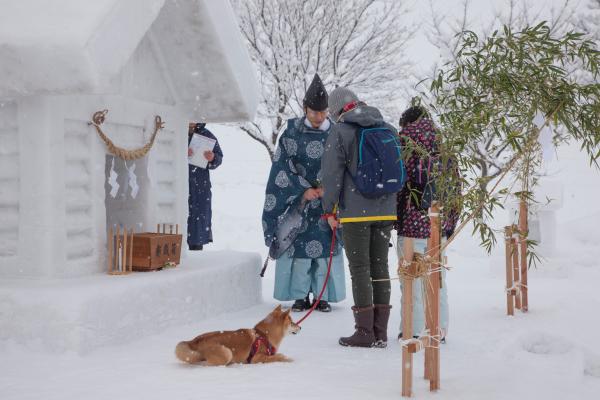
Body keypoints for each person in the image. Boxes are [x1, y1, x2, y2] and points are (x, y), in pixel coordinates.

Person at [321, 87, 398, 348]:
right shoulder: (387, 128)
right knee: (380, 267)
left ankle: (364, 332)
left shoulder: (340, 132)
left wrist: (328, 208)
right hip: (386, 208)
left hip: (355, 212)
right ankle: (381, 332)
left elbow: (331, 175)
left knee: (361, 269)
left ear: (336, 111)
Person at [262, 74, 346, 313]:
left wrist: (328, 189)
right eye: (313, 112)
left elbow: (346, 166)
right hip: (298, 201)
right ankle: (299, 296)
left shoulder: (338, 133)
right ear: (304, 108)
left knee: (324, 248)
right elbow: (281, 167)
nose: (319, 117)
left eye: (323, 112)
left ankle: (322, 296)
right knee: (299, 249)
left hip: (328, 202)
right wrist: (303, 189)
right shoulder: (290, 133)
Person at [395, 105, 460, 342]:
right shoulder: (444, 146)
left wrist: (396, 217)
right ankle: (438, 328)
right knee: (436, 278)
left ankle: (413, 329)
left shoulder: (404, 143)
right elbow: (456, 187)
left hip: (412, 225)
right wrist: (450, 224)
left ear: (406, 124)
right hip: (438, 223)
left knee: (411, 279)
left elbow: (399, 184)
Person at [187, 122, 223, 250]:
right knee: (180, 219)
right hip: (180, 183)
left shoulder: (206, 135)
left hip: (200, 186)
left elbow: (219, 157)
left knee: (197, 222)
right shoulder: (176, 131)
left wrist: (212, 158)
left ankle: (196, 250)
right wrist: (181, 153)